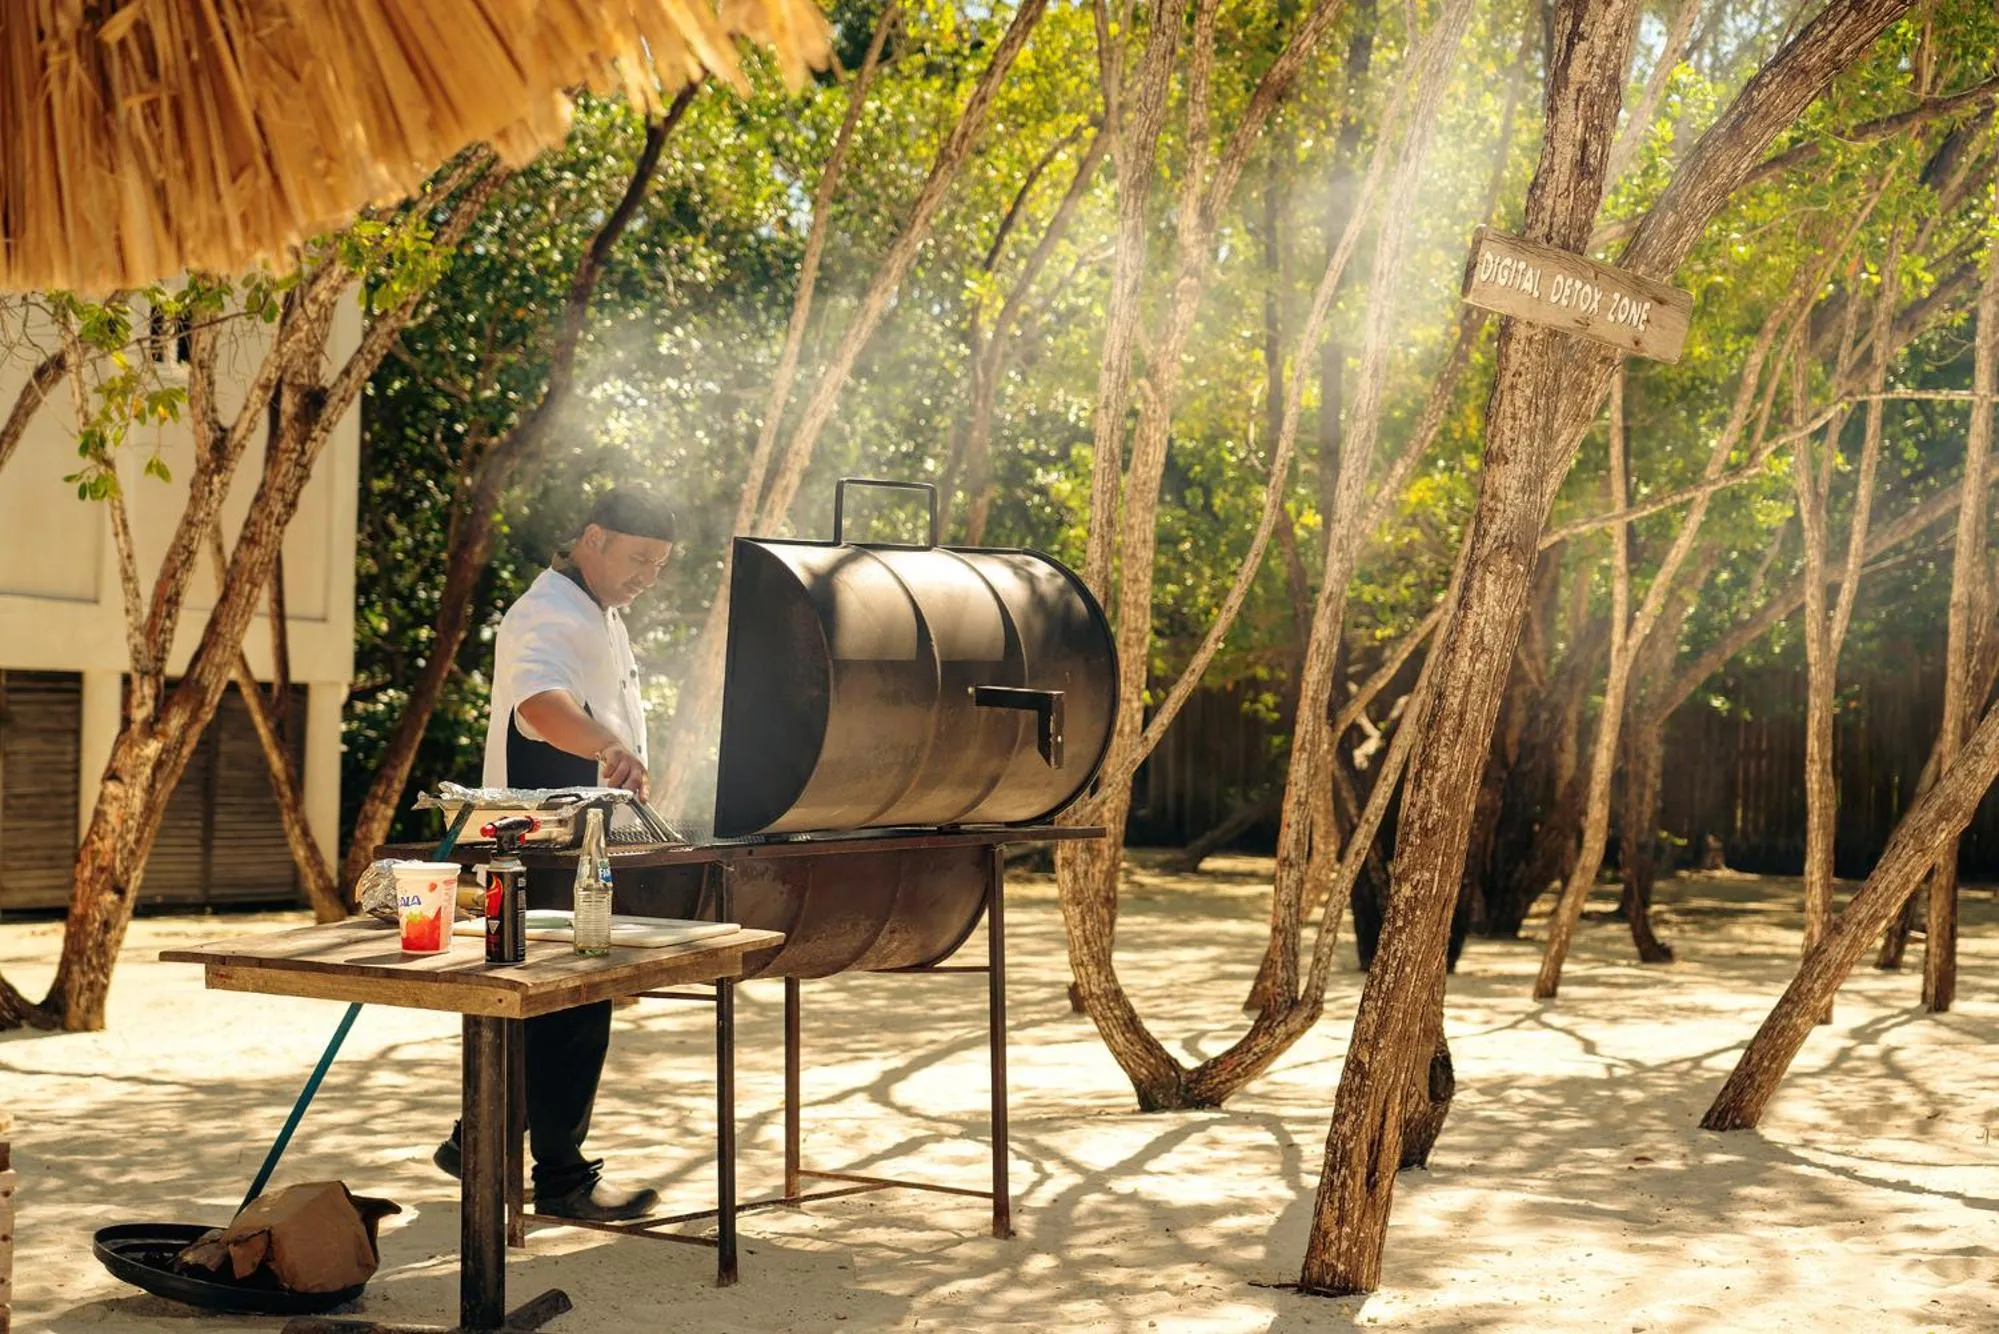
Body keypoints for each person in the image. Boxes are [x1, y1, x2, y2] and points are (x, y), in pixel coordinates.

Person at [431, 486, 676, 1222]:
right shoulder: (546, 610)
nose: (647, 577)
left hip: (578, 840)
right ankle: (562, 1181)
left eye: (659, 565)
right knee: (568, 1007)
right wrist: (607, 745)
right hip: (532, 845)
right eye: (639, 559)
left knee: (556, 1005)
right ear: (593, 538)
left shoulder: (600, 616)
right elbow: (539, 705)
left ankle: (475, 1136)